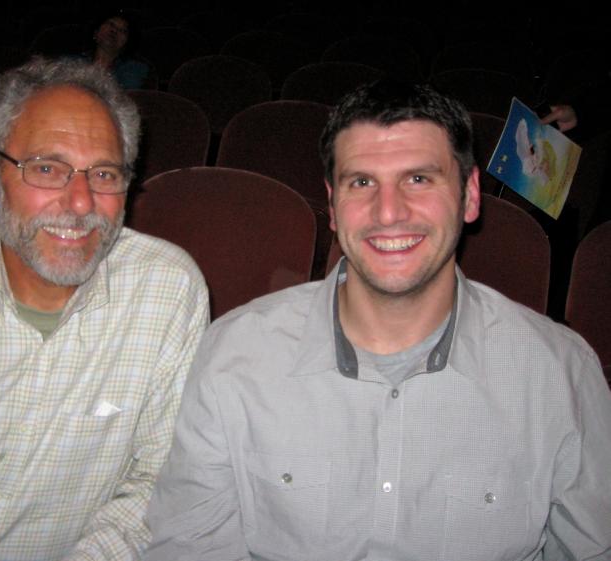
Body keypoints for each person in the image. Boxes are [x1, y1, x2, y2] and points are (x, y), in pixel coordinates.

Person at [144, 79, 611, 561]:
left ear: (470, 195)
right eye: (362, 182)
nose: (388, 212)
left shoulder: (562, 373)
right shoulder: (233, 358)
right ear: (332, 204)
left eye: (419, 179)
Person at [0, 56, 209, 561]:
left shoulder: (168, 291)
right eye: (47, 168)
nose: (82, 202)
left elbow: (155, 480)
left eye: (105, 174)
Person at [87, 10, 150, 90]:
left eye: (122, 30)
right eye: (111, 25)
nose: (114, 31)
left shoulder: (135, 70)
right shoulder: (73, 62)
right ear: (95, 33)